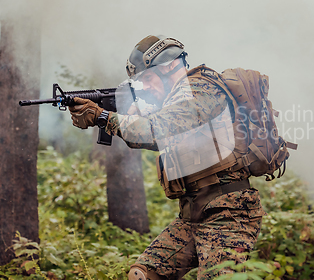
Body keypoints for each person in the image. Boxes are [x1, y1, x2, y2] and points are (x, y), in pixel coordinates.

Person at [68, 35, 267, 280]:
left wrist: (103, 117)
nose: (146, 87)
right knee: (142, 275)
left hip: (228, 212)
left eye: (148, 78)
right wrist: (111, 116)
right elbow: (162, 139)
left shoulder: (203, 88)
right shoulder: (174, 99)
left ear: (170, 65)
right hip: (191, 214)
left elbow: (157, 129)